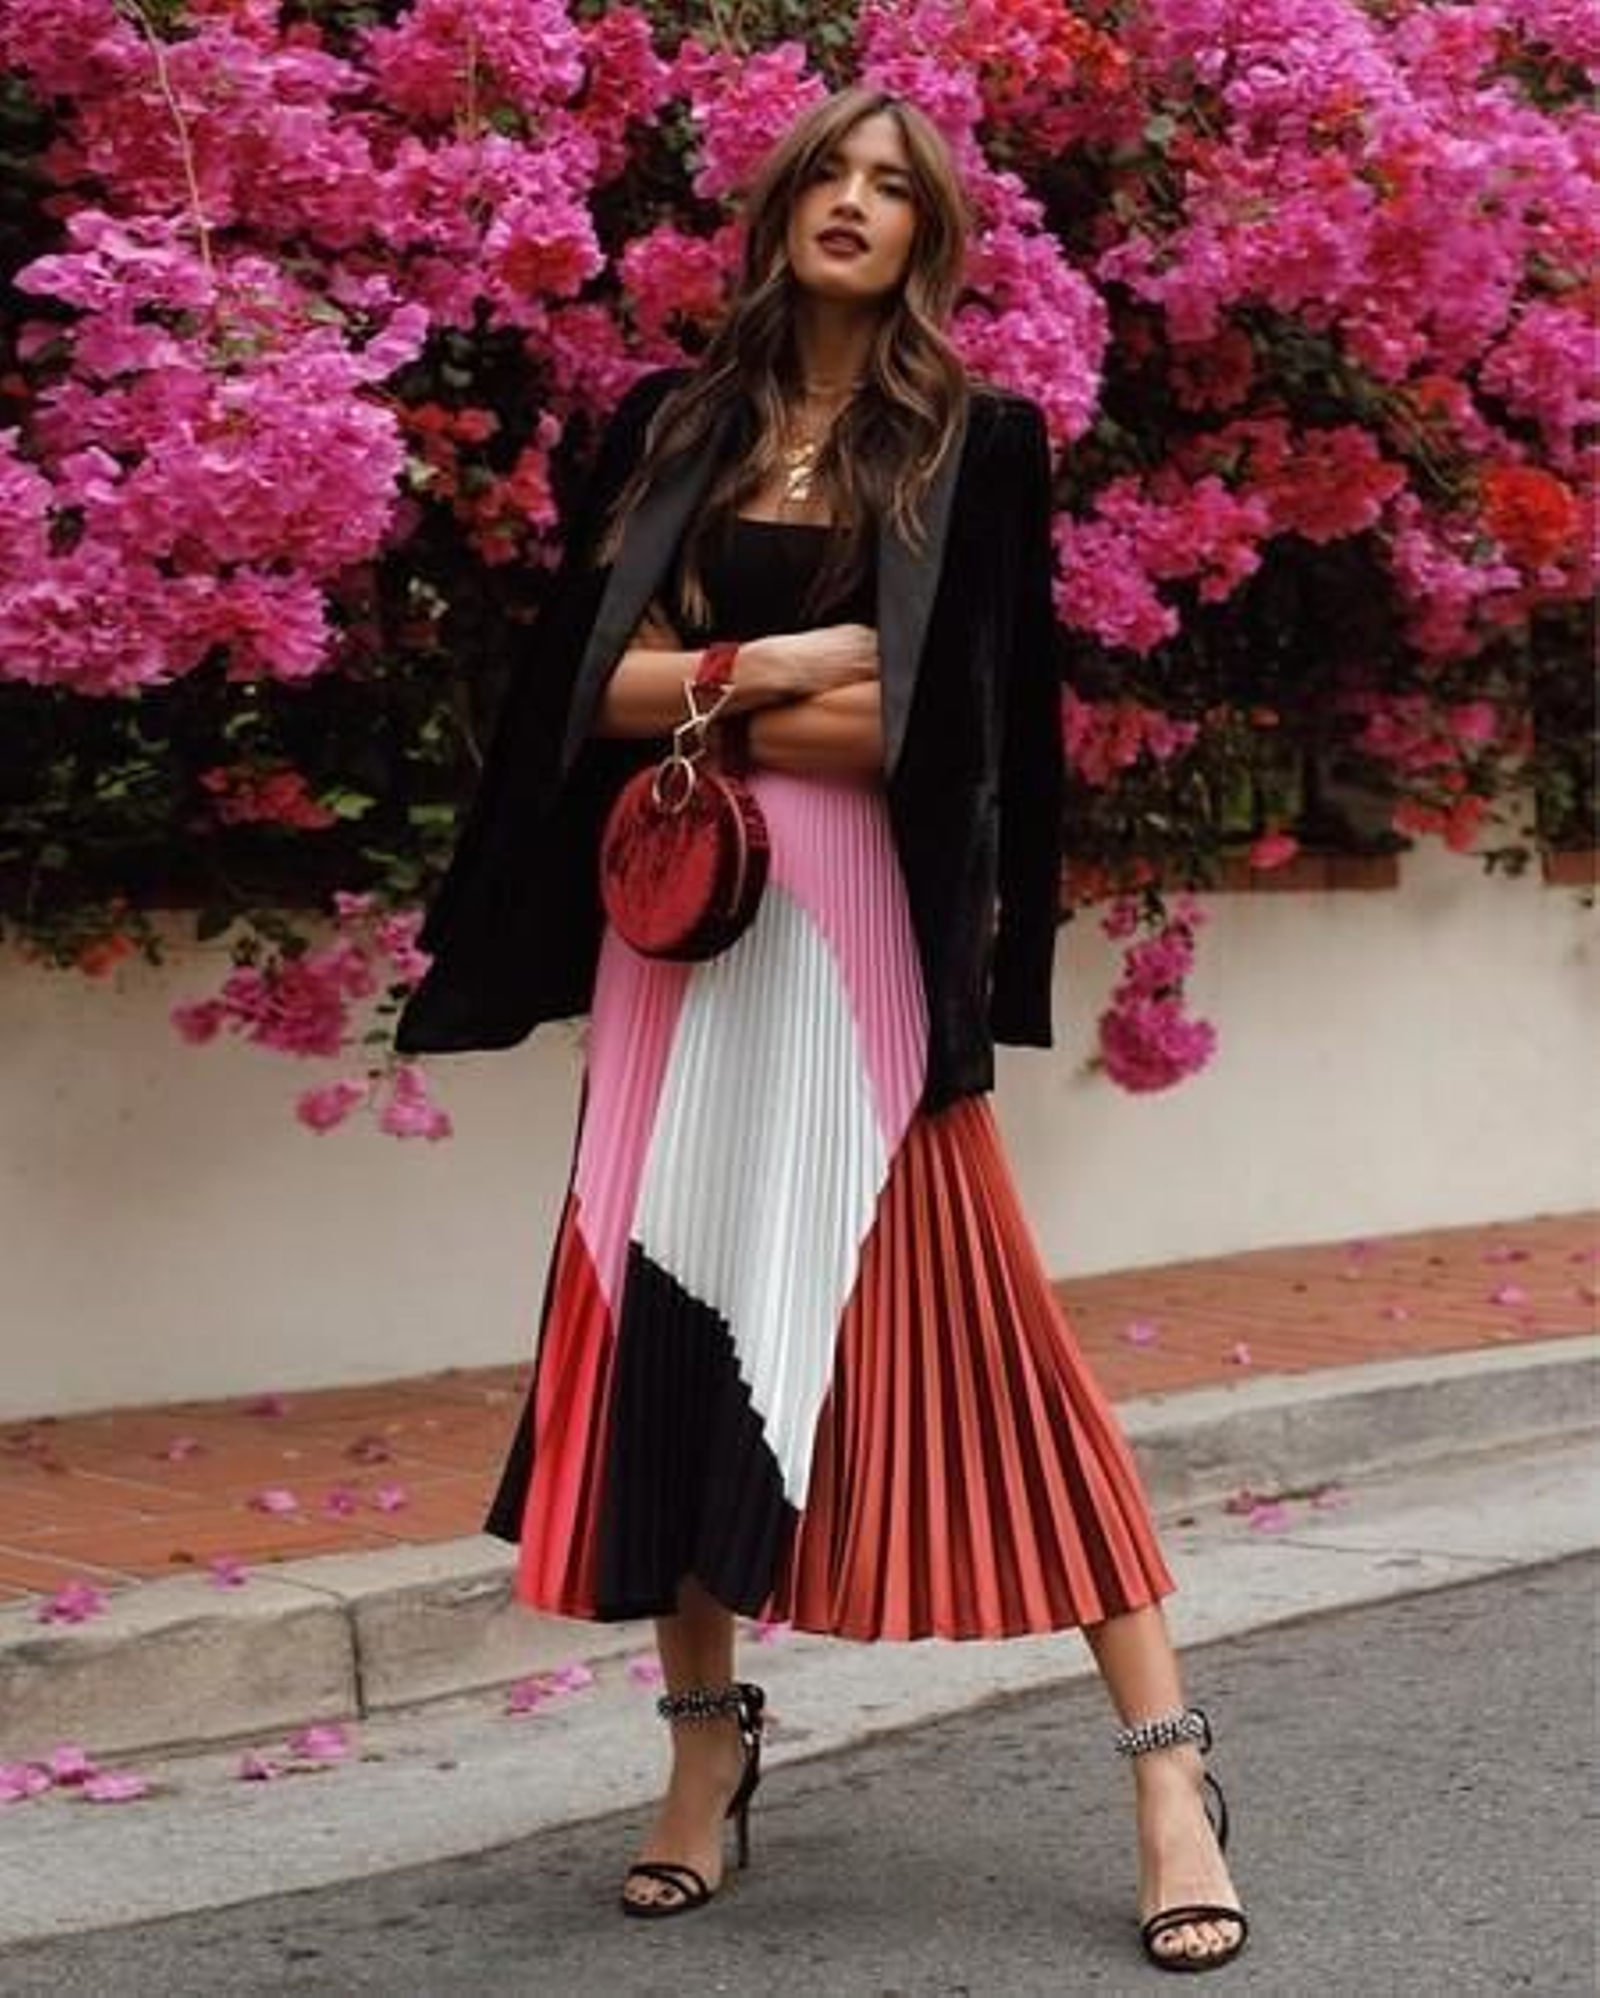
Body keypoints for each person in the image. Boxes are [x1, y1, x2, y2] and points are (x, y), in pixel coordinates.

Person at [395, 84, 1249, 1973]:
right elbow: (572, 698)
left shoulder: (977, 445)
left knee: (991, 1342)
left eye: (894, 188)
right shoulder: (667, 427)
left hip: (859, 957)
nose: (856, 205)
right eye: (831, 178)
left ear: (930, 239)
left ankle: (1171, 1775)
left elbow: (946, 743)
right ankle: (702, 1770)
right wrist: (784, 663)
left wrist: (699, 693)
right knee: (672, 1337)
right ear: (779, 209)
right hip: (675, 944)